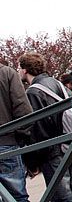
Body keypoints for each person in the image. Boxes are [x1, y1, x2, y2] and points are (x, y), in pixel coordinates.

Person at [18, 53, 72, 202]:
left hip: (52, 151)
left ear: (24, 70)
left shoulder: (33, 92)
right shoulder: (60, 85)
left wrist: (32, 162)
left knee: (62, 195)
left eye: (19, 68)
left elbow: (38, 130)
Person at [0, 64, 33, 202]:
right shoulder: (7, 73)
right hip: (7, 143)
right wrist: (21, 137)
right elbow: (24, 112)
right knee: (16, 197)